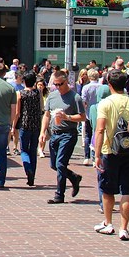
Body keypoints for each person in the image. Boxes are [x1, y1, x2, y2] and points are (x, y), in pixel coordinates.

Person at [92, 70, 129, 240]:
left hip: (109, 150)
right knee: (127, 190)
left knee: (108, 189)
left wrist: (96, 154)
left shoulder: (106, 103)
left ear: (109, 84)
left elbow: (100, 129)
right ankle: (123, 228)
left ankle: (108, 222)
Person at [40, 69, 86, 204]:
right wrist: (42, 132)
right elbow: (47, 115)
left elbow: (82, 117)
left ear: (67, 82)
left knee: (60, 164)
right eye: (56, 84)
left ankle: (59, 195)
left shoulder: (75, 97)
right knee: (54, 165)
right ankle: (73, 177)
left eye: (60, 84)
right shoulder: (52, 96)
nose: (58, 87)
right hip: (55, 134)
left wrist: (68, 117)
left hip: (68, 134)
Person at [11, 71, 43, 186]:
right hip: (36, 124)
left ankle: (28, 168)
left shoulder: (20, 94)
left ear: (24, 81)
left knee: (24, 150)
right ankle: (32, 176)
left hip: (25, 124)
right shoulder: (38, 93)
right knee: (33, 150)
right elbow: (41, 109)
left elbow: (17, 113)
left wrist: (13, 126)